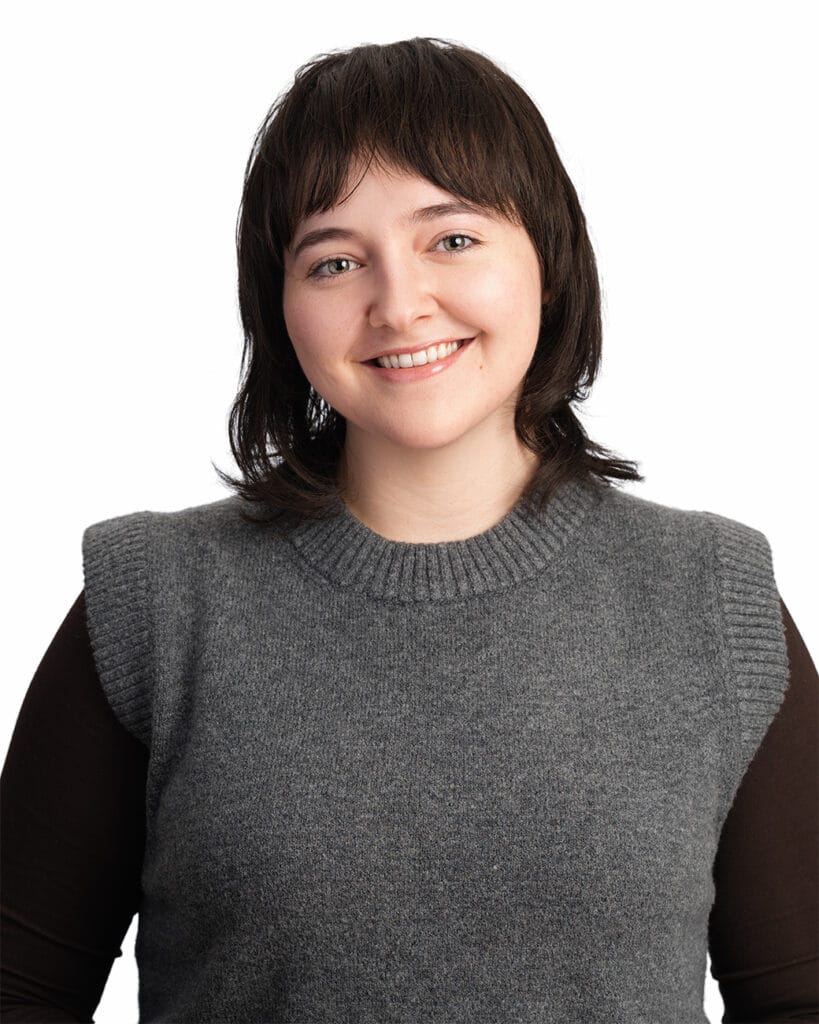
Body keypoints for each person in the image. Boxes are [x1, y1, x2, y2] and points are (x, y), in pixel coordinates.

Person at [1, 36, 817, 1024]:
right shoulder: (151, 607)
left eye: (453, 238)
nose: (398, 303)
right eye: (336, 260)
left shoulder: (710, 600)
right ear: (281, 310)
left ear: (547, 260)